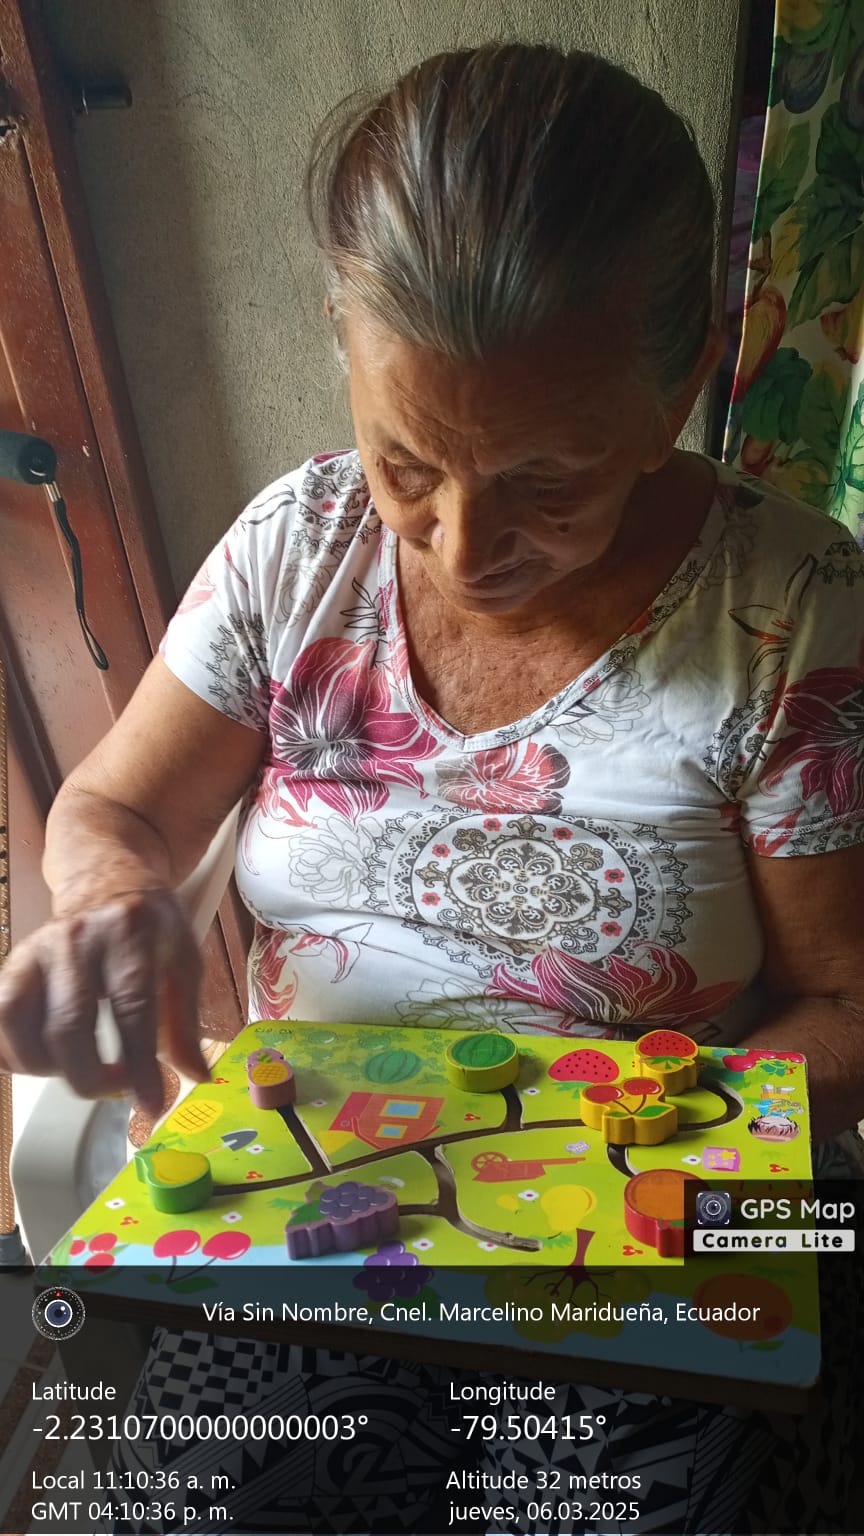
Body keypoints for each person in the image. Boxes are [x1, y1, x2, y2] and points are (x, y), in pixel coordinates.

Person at [1, 40, 863, 1536]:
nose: (464, 549)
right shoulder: (297, 544)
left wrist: (599, 1150)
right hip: (313, 1187)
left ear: (679, 389)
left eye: (550, 483)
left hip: (657, 1195)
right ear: (344, 342)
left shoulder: (795, 610)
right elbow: (118, 814)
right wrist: (111, 897)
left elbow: (847, 1004)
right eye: (409, 464)